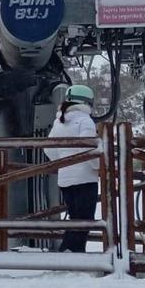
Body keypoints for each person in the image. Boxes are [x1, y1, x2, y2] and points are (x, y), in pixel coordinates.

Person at [44, 85, 101, 254]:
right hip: (85, 178)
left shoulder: (59, 121)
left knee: (74, 216)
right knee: (85, 219)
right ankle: (71, 251)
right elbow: (89, 149)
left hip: (65, 179)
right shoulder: (85, 121)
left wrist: (62, 162)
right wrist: (99, 167)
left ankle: (71, 251)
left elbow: (49, 148)